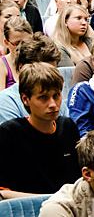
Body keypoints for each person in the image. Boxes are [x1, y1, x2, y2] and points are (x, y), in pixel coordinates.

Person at [0, 62, 80, 195]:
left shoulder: (68, 127)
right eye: (43, 98)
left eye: (56, 96)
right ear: (25, 99)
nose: (53, 104)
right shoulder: (9, 133)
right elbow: (3, 192)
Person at [0, 34, 67, 125]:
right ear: (21, 68)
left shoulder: (54, 96)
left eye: (53, 71)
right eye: (42, 73)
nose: (52, 104)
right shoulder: (6, 101)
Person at [0, 17, 32, 91]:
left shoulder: (38, 60)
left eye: (26, 42)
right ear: (6, 43)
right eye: (17, 43)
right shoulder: (2, 65)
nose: (21, 47)